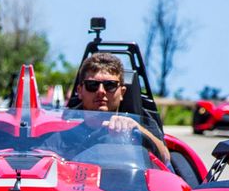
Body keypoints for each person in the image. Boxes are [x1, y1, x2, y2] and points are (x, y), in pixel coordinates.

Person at [41, 52, 170, 166]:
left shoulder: (143, 126)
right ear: (80, 91)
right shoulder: (61, 139)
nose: (101, 91)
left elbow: (165, 160)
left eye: (110, 85)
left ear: (122, 92)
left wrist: (137, 129)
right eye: (92, 85)